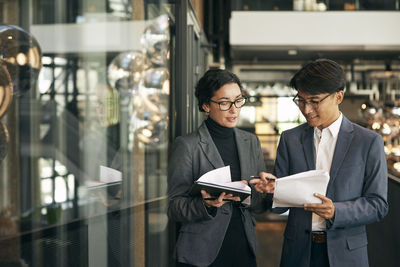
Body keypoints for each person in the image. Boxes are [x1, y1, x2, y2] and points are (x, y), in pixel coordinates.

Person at [252, 58, 388, 267]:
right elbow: (277, 207)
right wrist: (271, 189)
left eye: (314, 101)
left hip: (346, 253)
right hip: (299, 251)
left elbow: (378, 204)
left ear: (338, 96)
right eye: (301, 100)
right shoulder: (290, 139)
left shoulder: (368, 142)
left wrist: (337, 211)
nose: (306, 109)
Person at [167, 69, 274, 267]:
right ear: (206, 105)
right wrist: (206, 204)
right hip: (201, 250)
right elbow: (174, 207)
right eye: (225, 103)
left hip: (243, 245)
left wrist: (263, 192)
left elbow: (258, 205)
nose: (234, 110)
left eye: (238, 100)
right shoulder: (188, 145)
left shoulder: (251, 141)